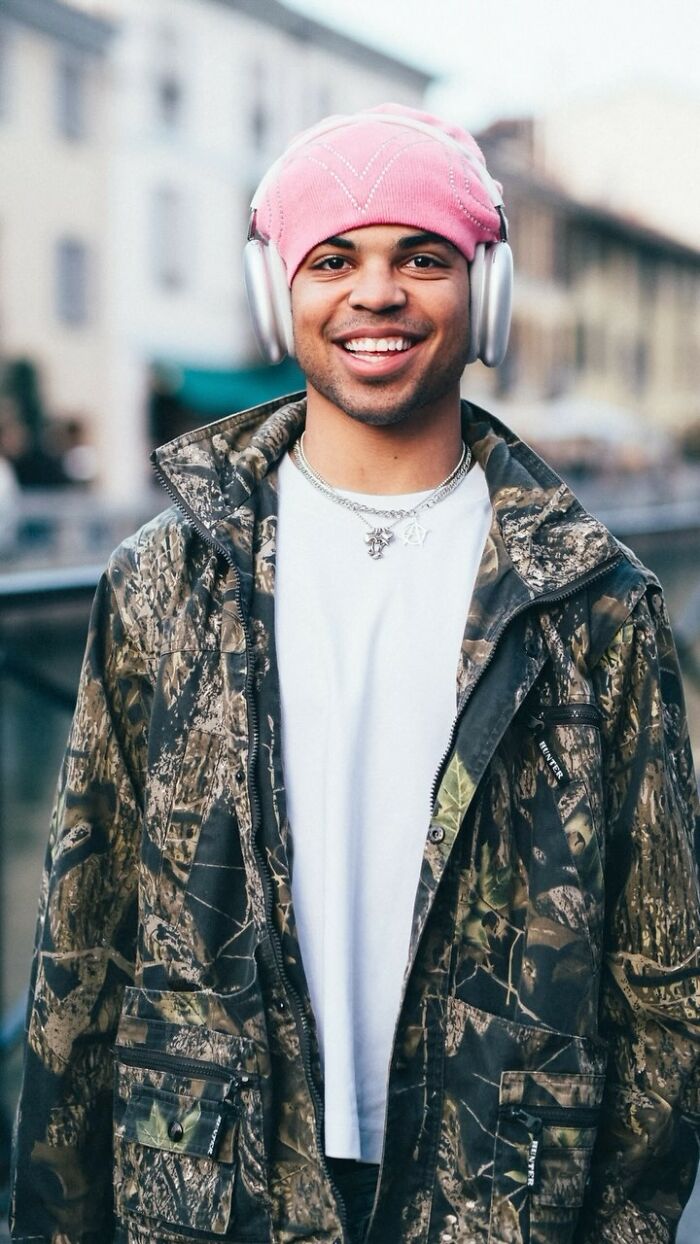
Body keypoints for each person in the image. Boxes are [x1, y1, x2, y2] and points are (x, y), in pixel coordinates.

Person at [10, 104, 700, 1244]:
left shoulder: (596, 598)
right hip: (209, 1182)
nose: (374, 293)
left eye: (419, 257)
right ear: (274, 288)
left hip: (508, 1190)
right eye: (333, 259)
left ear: (484, 290)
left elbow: (664, 976)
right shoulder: (159, 581)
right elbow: (82, 938)